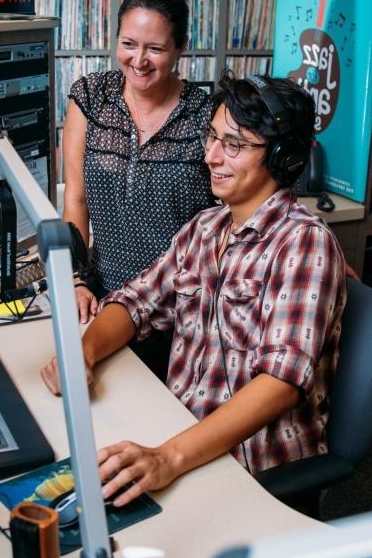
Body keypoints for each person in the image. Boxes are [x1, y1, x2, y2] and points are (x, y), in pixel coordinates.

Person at [40, 74, 347, 508]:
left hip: (250, 471)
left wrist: (167, 458)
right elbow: (136, 301)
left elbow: (279, 384)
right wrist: (83, 352)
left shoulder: (303, 243)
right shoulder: (205, 228)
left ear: (284, 158)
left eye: (234, 145)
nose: (211, 156)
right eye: (212, 137)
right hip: (181, 438)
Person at [62, 0, 215, 325]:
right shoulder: (89, 97)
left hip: (178, 309)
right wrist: (74, 280)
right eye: (128, 44)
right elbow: (76, 199)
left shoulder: (207, 114)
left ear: (181, 48)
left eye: (156, 49)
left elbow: (245, 203)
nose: (139, 61)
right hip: (102, 301)